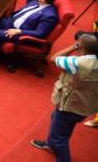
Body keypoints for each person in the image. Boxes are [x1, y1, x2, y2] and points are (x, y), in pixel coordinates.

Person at [30, 34, 98, 162]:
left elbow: (53, 58)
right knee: (58, 121)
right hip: (83, 105)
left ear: (80, 46)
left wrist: (73, 47)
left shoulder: (77, 63)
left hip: (69, 106)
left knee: (60, 139)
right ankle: (50, 145)